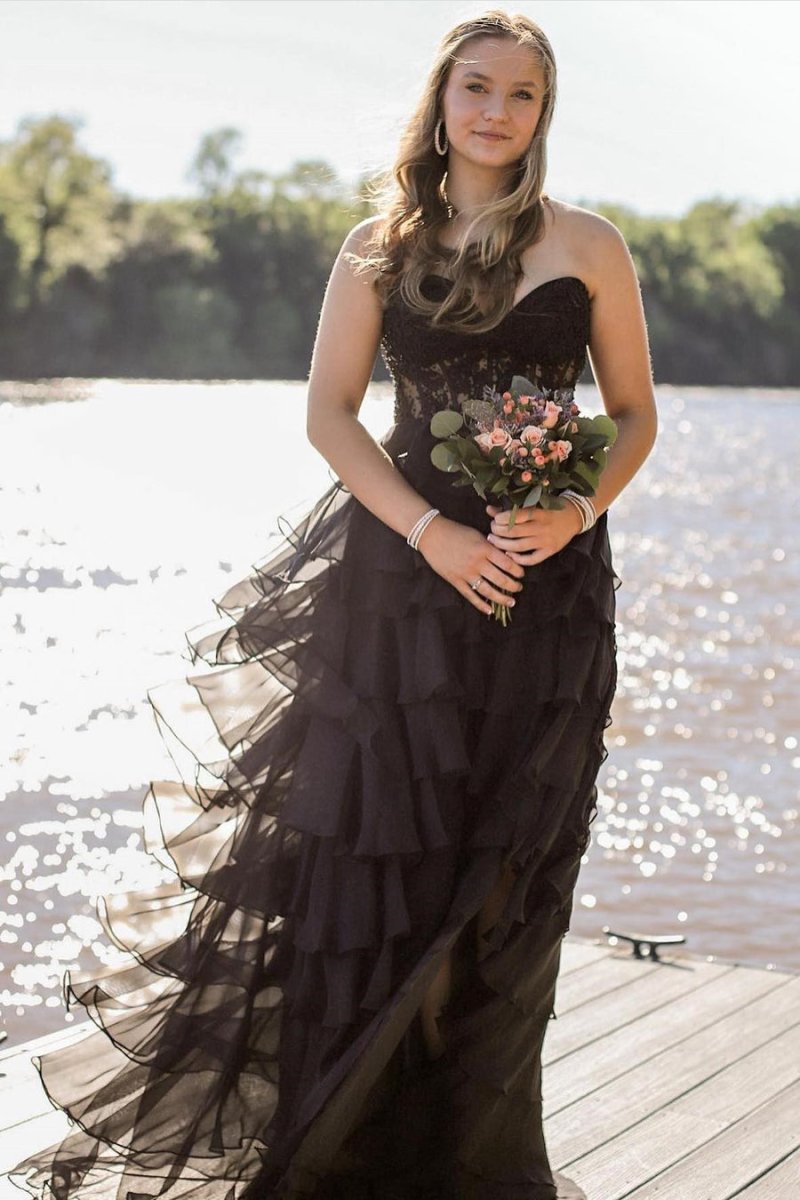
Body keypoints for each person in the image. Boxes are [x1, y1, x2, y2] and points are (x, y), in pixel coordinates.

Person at [9, 8, 657, 1199]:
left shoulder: (588, 244)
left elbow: (631, 415)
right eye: (476, 88)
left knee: (512, 871)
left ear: (541, 115)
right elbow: (328, 415)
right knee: (374, 867)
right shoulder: (376, 243)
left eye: (521, 95)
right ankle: (346, 1158)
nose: (496, 113)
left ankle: (476, 1162)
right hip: (392, 599)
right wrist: (431, 536)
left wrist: (573, 511)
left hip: (547, 601)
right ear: (441, 98)